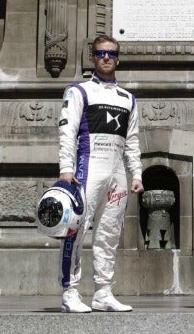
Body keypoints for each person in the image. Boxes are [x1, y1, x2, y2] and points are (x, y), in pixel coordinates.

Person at [57, 35, 144, 313]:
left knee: (108, 233)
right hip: (87, 169)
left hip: (117, 172)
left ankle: (103, 292)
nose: (106, 57)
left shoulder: (129, 98)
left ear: (118, 59)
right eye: (100, 53)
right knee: (76, 230)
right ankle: (70, 292)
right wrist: (66, 169)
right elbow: (67, 131)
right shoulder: (78, 91)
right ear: (93, 57)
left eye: (111, 53)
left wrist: (137, 174)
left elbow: (132, 140)